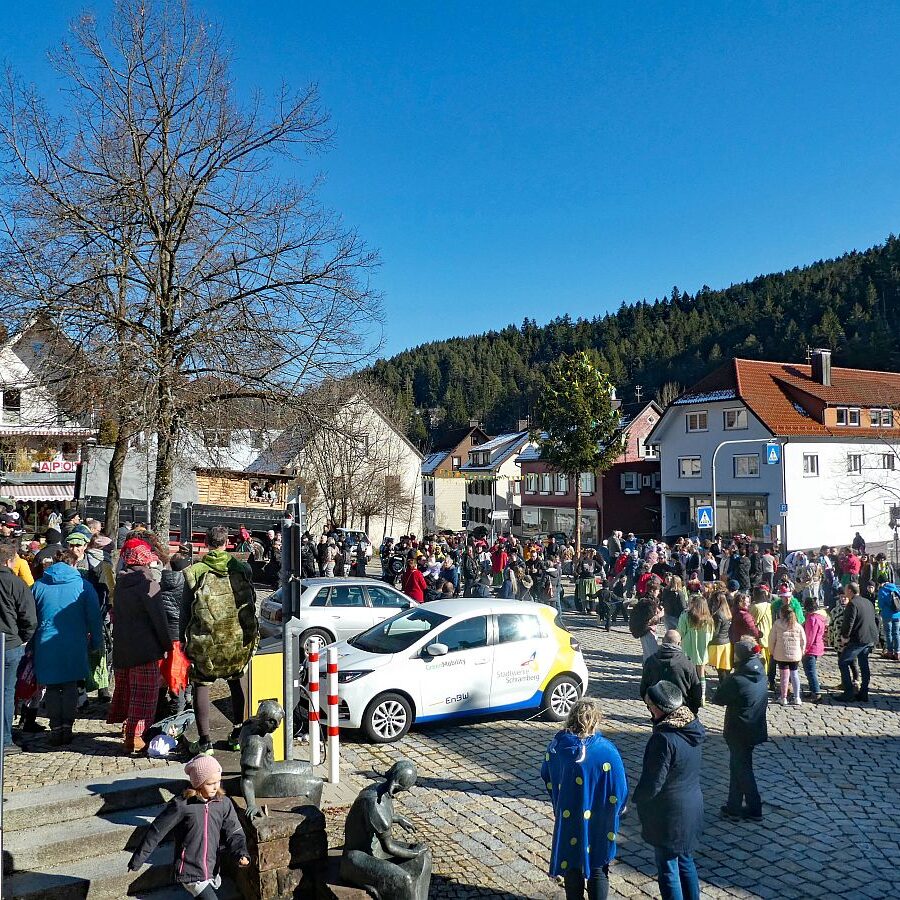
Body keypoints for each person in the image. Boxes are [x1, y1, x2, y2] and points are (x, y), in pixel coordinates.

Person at [541, 699, 628, 900]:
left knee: (572, 864)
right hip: (600, 818)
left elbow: (546, 773)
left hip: (568, 815)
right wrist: (618, 809)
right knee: (598, 866)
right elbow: (620, 787)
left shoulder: (557, 747)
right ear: (596, 720)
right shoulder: (607, 750)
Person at [182, 526, 258, 754]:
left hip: (206, 643)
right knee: (237, 683)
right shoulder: (242, 569)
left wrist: (183, 643)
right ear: (227, 543)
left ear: (205, 543)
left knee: (201, 686)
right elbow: (251, 603)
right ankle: (237, 735)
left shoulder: (194, 571)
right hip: (236, 642)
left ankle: (205, 742)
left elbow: (186, 612)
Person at [128, 755, 249, 898]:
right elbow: (157, 831)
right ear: (198, 783)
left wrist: (241, 852)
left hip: (211, 867)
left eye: (218, 781)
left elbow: (234, 831)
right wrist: (138, 859)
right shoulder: (182, 805)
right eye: (210, 783)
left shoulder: (223, 803)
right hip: (190, 870)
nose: (216, 787)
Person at [634, 681, 705, 900]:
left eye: (650, 706)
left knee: (668, 869)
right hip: (692, 805)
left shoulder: (663, 739)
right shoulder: (692, 728)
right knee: (685, 860)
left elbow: (653, 782)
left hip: (669, 813)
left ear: (660, 708)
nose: (649, 709)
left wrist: (637, 799)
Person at [31, 551, 103, 745]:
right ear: (75, 563)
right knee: (70, 685)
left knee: (53, 687)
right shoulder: (83, 586)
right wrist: (97, 642)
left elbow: (30, 617)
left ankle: (55, 727)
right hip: (74, 642)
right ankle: (66, 727)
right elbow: (94, 617)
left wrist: (29, 645)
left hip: (45, 642)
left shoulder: (38, 586)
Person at [107, 541, 172, 753]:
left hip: (124, 647)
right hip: (146, 648)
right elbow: (159, 619)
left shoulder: (122, 583)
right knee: (144, 696)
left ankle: (128, 735)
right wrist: (167, 644)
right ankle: (136, 738)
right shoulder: (148, 584)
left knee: (130, 692)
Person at [713, 637, 767, 823]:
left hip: (738, 730)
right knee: (738, 765)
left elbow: (718, 698)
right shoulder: (760, 669)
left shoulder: (737, 679)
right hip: (754, 727)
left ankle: (754, 808)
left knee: (742, 769)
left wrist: (726, 676)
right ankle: (733, 806)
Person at [0, 541, 36, 755]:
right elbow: (29, 618)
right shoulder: (16, 583)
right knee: (6, 692)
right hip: (10, 644)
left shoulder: (15, 583)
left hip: (11, 641)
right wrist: (24, 638)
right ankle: (4, 739)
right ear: (9, 560)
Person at [640, 630, 702, 715]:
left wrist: (652, 707)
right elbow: (696, 690)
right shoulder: (686, 663)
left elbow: (644, 688)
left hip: (658, 710)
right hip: (681, 709)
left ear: (663, 641)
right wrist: (693, 709)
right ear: (679, 643)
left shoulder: (650, 661)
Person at [835, 582, 879, 702]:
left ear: (850, 591)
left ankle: (848, 692)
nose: (844, 592)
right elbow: (876, 618)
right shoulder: (867, 601)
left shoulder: (852, 604)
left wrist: (844, 637)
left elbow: (849, 622)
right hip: (870, 637)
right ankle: (864, 692)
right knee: (864, 665)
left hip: (859, 639)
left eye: (845, 590)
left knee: (843, 662)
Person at [677, 595, 714, 705]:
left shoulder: (686, 616)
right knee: (701, 672)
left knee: (689, 672)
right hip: (702, 649)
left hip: (688, 648)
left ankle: (689, 694)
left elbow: (680, 632)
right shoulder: (709, 620)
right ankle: (702, 696)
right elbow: (711, 636)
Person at [769, 603, 806, 706]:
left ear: (782, 614)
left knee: (784, 676)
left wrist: (771, 651)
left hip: (781, 654)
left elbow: (772, 639)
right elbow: (803, 640)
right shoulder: (798, 626)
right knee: (794, 674)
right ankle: (797, 697)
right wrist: (802, 651)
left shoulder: (777, 624)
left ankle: (783, 697)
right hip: (795, 655)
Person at [801, 596, 828, 703]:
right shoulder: (819, 617)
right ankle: (813, 690)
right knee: (810, 670)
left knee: (810, 671)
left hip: (811, 649)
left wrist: (804, 649)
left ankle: (816, 692)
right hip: (817, 646)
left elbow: (810, 637)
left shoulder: (812, 619)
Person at [706, 591, 733, 682]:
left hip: (717, 644)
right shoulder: (727, 612)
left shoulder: (717, 615)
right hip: (726, 643)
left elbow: (715, 632)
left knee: (720, 670)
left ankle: (722, 687)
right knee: (725, 669)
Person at [877, 581, 900, 661]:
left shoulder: (882, 590)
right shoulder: (896, 588)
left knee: (888, 633)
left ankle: (890, 652)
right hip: (897, 614)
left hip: (887, 615)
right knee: (896, 633)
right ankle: (897, 652)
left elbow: (880, 605)